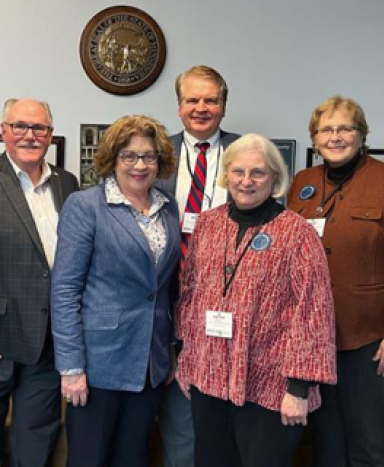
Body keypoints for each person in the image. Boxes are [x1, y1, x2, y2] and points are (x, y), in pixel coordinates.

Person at [175, 134, 337, 467]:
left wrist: (299, 388)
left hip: (270, 386)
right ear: (226, 175)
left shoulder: (297, 233)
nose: (246, 181)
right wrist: (186, 358)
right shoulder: (207, 224)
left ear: (275, 178)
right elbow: (190, 293)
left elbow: (314, 312)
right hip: (209, 377)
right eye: (238, 171)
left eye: (258, 173)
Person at [287, 96, 384, 467]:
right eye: (326, 130)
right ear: (314, 139)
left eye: (345, 128)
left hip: (370, 340)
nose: (336, 137)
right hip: (316, 338)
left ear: (361, 134)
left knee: (369, 441)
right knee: (326, 437)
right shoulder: (303, 182)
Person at [0, 98, 79, 466]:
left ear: (50, 136)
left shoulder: (67, 184)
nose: (29, 136)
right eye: (20, 126)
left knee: (37, 446)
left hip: (48, 344)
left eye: (39, 128)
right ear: (3, 131)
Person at [51, 115, 180, 467]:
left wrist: (168, 349)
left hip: (149, 364)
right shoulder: (86, 206)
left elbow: (165, 289)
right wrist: (71, 367)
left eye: (148, 156)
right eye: (129, 155)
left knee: (133, 458)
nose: (140, 165)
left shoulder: (168, 207)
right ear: (113, 158)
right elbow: (65, 289)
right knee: (89, 459)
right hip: (99, 364)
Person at [154, 64, 240, 467]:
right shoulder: (156, 155)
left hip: (233, 305)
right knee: (179, 420)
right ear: (178, 106)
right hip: (169, 303)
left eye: (211, 100)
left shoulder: (247, 154)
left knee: (230, 423)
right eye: (193, 99)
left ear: (224, 106)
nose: (201, 107)